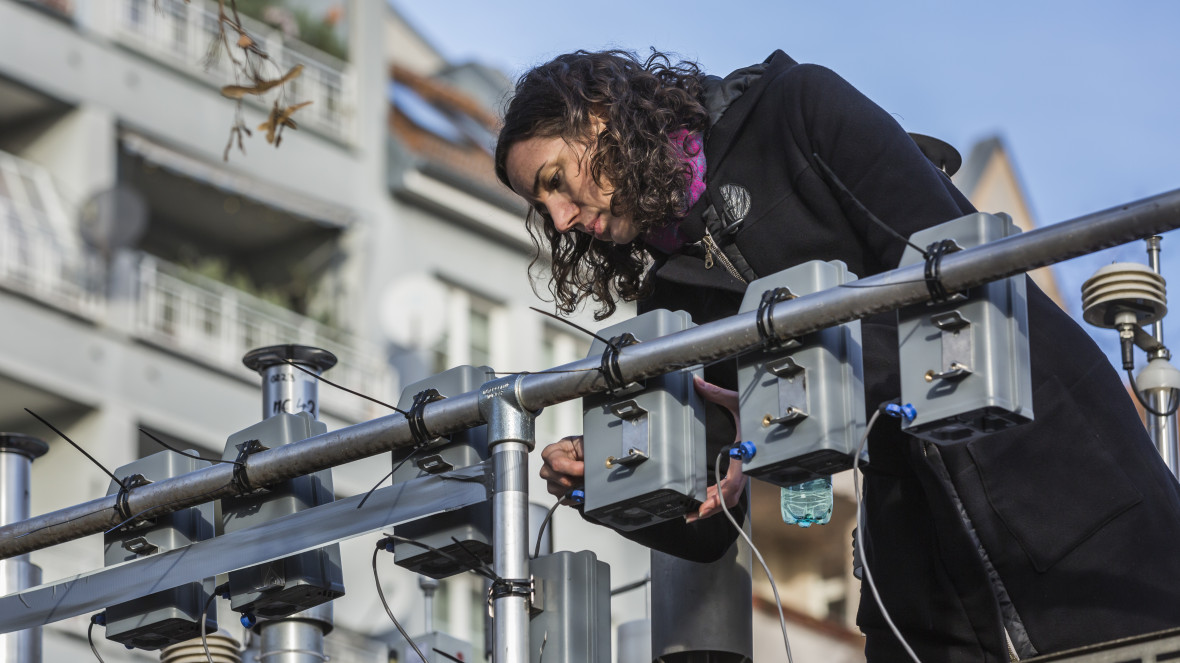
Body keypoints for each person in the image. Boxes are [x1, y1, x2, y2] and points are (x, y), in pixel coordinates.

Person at [494, 49, 1180, 662]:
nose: (557, 218)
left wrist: (773, 402)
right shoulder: (668, 298)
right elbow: (710, 518)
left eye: (555, 177)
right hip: (921, 579)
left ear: (602, 116)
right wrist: (610, 480)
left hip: (1064, 496)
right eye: (540, 202)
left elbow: (958, 293)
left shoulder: (798, 109)